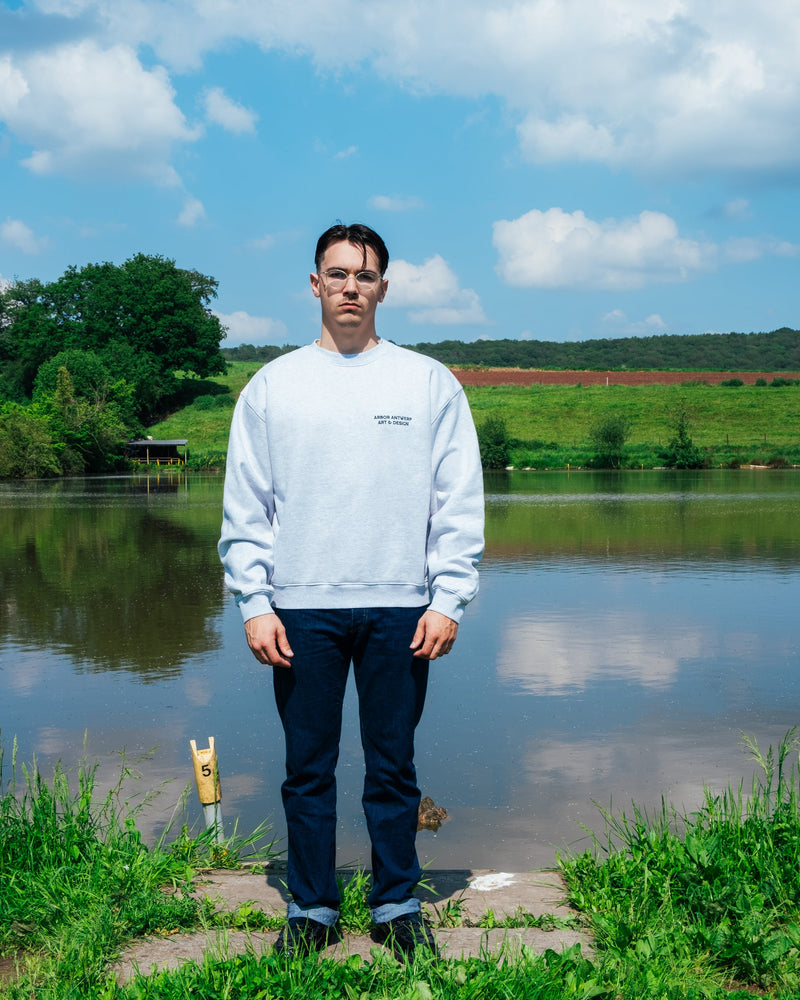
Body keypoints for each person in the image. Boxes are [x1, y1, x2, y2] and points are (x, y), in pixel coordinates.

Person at [218, 222, 484, 959]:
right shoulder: (273, 386)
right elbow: (247, 507)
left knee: (392, 766)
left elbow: (455, 501)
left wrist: (447, 597)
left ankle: (396, 904)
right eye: (336, 274)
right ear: (314, 284)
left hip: (402, 605)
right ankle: (312, 910)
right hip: (300, 608)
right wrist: (255, 601)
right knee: (308, 769)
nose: (350, 288)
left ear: (384, 289)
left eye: (364, 276)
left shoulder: (427, 382)